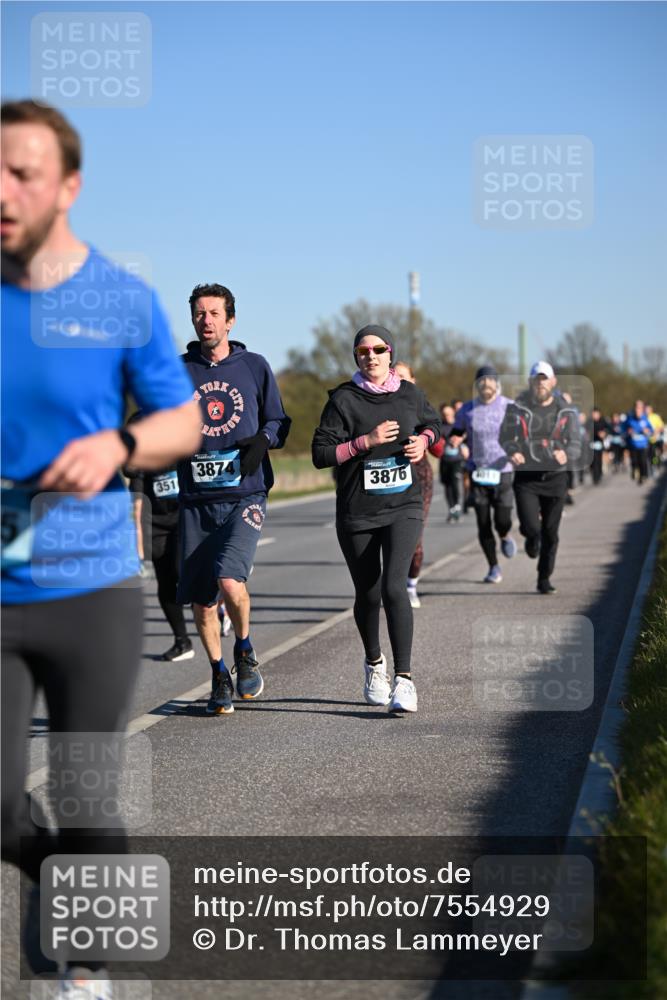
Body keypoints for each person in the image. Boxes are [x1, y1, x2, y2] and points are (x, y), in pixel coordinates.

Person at [1, 100, 201, 998]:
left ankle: (90, 972)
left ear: (68, 186)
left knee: (86, 796)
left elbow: (184, 420)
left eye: (23, 173)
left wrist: (120, 447)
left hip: (90, 589)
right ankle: (57, 875)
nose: (3, 191)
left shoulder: (120, 298)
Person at [312, 325, 440, 714]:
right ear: (356, 357)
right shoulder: (343, 400)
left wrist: (425, 440)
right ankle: (374, 664)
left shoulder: (410, 393)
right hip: (358, 510)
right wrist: (364, 442)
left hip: (404, 505)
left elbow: (433, 424)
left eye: (379, 349)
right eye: (363, 351)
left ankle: (405, 679)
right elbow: (321, 454)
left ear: (390, 353)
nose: (371, 356)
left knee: (394, 588)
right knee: (368, 593)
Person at [177, 283, 291, 715]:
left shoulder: (254, 366)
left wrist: (263, 439)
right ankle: (218, 671)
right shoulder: (179, 371)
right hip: (195, 499)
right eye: (199, 313)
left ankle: (243, 647)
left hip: (245, 493)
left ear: (230, 320)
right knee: (202, 601)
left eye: (213, 313)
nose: (206, 320)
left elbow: (279, 420)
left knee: (230, 580)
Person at [499, 361, 581, 594]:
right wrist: (513, 450)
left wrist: (566, 453)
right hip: (527, 479)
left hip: (555, 478)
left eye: (545, 379)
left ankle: (544, 578)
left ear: (553, 382)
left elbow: (576, 442)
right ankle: (531, 539)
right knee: (531, 527)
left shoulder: (565, 410)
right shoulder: (517, 408)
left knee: (551, 533)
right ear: (531, 383)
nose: (541, 383)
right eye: (537, 379)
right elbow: (505, 436)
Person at [124, 412, 195, 662]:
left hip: (185, 519)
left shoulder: (178, 449)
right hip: (157, 525)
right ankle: (182, 641)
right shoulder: (140, 462)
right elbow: (137, 504)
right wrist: (140, 552)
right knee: (166, 584)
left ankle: (218, 604)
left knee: (181, 574)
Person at [450, 366, 517, 584]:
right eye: (482, 381)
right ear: (476, 385)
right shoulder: (467, 410)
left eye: (490, 381)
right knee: (482, 522)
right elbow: (457, 432)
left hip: (503, 469)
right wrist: (456, 441)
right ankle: (493, 566)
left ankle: (505, 535)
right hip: (477, 470)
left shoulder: (509, 406)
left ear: (497, 384)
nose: (486, 384)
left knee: (502, 519)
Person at [393, 361, 442, 608]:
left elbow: (438, 446)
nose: (399, 380)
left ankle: (411, 585)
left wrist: (423, 440)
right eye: (395, 375)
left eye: (404, 377)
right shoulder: (382, 401)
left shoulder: (418, 403)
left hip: (419, 476)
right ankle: (393, 586)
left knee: (414, 538)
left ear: (413, 380)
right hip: (390, 475)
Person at [438, 403, 467, 522]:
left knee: (455, 483)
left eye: (449, 414)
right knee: (447, 485)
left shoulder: (458, 425)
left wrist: (462, 444)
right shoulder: (439, 427)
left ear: (453, 413)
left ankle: (457, 505)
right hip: (444, 460)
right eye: (444, 414)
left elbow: (466, 436)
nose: (447, 416)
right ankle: (451, 507)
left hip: (457, 460)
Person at [623, 400, 652, 485]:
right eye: (637, 408)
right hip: (633, 444)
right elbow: (623, 428)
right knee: (634, 461)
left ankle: (643, 476)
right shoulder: (630, 419)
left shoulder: (645, 419)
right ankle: (635, 472)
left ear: (642, 409)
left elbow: (651, 430)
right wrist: (628, 431)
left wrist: (647, 431)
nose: (638, 410)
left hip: (642, 445)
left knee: (642, 461)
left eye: (640, 408)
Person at [589, 407, 611, 485]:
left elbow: (610, 429)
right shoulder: (589, 422)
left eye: (596, 414)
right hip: (590, 445)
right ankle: (594, 475)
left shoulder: (603, 421)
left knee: (598, 461)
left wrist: (604, 433)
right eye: (594, 414)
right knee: (592, 463)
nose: (595, 415)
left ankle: (597, 477)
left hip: (599, 445)